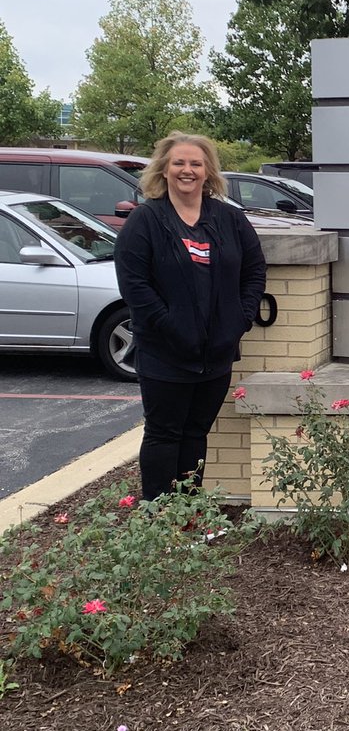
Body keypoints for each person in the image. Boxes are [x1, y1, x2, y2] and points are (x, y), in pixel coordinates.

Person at [115, 132, 267, 502]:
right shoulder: (145, 221)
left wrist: (241, 319)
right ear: (164, 170)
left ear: (208, 171)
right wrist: (171, 327)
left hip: (216, 353)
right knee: (164, 433)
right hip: (164, 354)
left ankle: (187, 512)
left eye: (196, 163)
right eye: (179, 163)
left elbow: (254, 270)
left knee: (197, 432)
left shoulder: (230, 219)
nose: (187, 170)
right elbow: (135, 286)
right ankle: (158, 516)